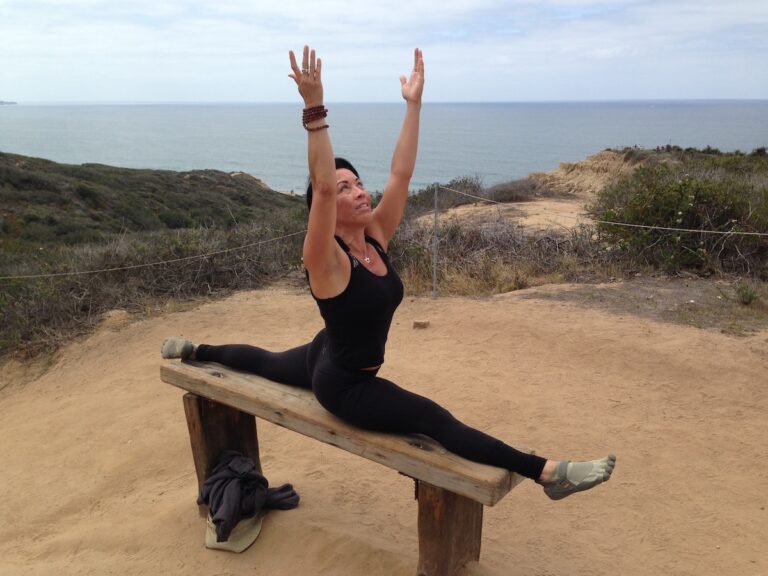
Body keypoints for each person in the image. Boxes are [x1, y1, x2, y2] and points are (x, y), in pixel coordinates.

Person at [162, 45, 616, 500]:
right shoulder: (325, 258)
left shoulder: (375, 233)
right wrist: (314, 108)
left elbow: (401, 173)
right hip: (345, 384)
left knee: (267, 362)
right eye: (347, 189)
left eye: (358, 182)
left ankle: (195, 348)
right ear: (325, 208)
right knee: (434, 420)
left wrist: (413, 104)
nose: (359, 191)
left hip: (327, 350)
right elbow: (320, 187)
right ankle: (548, 474)